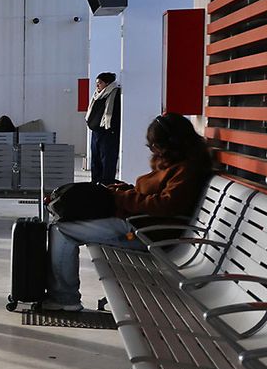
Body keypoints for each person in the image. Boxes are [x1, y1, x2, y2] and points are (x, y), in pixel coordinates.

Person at [47, 113, 212, 312]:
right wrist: (124, 190)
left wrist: (118, 197)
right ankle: (63, 297)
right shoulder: (180, 163)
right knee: (65, 219)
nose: (154, 151)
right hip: (139, 224)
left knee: (62, 229)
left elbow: (166, 205)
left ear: (171, 144)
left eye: (156, 146)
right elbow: (155, 196)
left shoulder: (186, 169)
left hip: (142, 232)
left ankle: (65, 300)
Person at [86, 73, 122, 183]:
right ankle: (95, 184)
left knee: (107, 161)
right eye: (96, 83)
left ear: (107, 83)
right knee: (95, 160)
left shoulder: (115, 93)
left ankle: (106, 185)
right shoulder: (97, 95)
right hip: (96, 132)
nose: (97, 86)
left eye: (100, 83)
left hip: (108, 133)